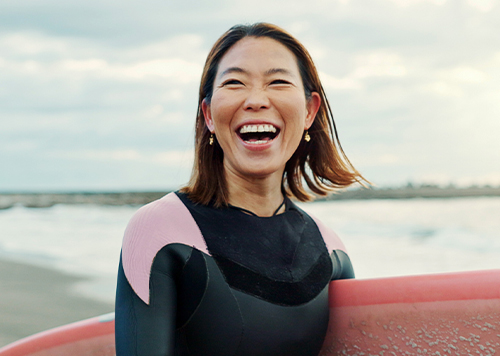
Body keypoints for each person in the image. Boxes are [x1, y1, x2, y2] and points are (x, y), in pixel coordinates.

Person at [115, 22, 367, 356]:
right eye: (235, 82)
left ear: (309, 110)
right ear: (208, 114)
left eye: (277, 82)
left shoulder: (331, 250)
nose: (256, 100)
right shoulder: (159, 232)